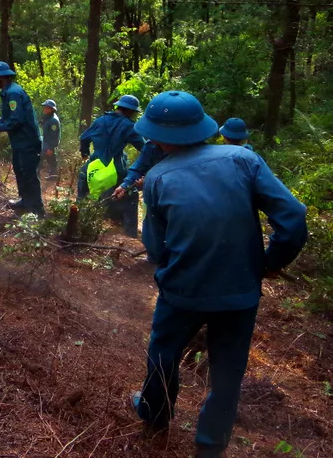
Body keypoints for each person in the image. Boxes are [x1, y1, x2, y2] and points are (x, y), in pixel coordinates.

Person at [130, 90, 307, 458]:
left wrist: (173, 269)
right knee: (227, 371)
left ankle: (155, 415)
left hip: (183, 291)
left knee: (164, 353)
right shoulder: (244, 159)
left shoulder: (158, 178)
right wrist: (270, 263)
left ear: (159, 136)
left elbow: (157, 248)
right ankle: (210, 446)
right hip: (240, 291)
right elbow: (292, 219)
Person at [0, 62, 45, 216]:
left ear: (2, 77)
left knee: (29, 175)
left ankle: (37, 211)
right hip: (19, 142)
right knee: (20, 171)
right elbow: (5, 120)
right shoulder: (7, 92)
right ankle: (25, 202)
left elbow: (16, 120)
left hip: (28, 141)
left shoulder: (13, 93)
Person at [77, 95, 145, 236]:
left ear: (118, 107)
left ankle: (78, 221)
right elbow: (144, 147)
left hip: (95, 162)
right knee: (130, 192)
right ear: (131, 111)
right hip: (116, 164)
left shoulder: (100, 120)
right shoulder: (129, 126)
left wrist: (85, 154)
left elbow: (84, 138)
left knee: (83, 182)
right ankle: (130, 233)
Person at [40, 99, 60, 179]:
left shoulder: (53, 120)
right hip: (46, 141)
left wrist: (51, 148)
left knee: (51, 158)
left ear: (52, 109)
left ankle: (54, 174)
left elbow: (54, 135)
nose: (45, 109)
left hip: (50, 143)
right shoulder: (48, 117)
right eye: (45, 107)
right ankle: (52, 173)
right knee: (47, 158)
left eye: (47, 108)